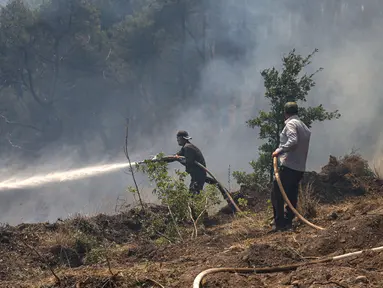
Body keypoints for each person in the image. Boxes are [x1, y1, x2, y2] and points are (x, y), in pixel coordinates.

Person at [271, 102, 311, 232]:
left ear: (285, 113)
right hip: (299, 167)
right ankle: (288, 221)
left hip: (288, 165)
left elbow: (293, 141)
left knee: (277, 193)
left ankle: (279, 223)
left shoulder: (291, 124)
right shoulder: (303, 126)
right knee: (292, 194)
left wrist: (279, 150)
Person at [173, 130, 207, 194]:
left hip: (198, 175)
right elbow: (175, 156)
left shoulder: (188, 148)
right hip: (196, 175)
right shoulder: (185, 147)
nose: (177, 140)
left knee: (193, 195)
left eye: (178, 138)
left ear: (182, 138)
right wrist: (160, 159)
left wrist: (178, 159)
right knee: (193, 194)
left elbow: (189, 162)